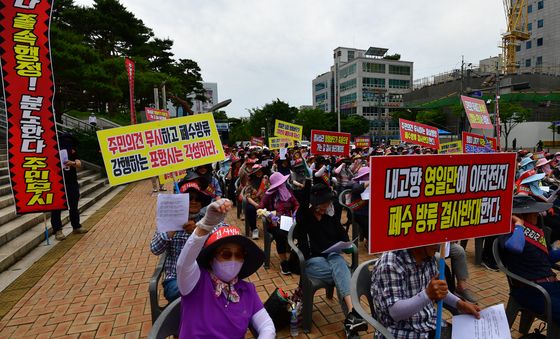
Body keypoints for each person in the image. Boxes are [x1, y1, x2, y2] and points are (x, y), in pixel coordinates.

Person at [176, 200, 275, 338]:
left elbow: (266, 325)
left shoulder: (247, 290)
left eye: (239, 255)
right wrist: (205, 226)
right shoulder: (195, 282)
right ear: (211, 258)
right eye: (226, 254)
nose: (233, 260)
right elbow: (183, 264)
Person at [295, 183, 367, 337]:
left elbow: (344, 237)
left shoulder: (331, 216)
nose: (326, 206)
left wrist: (343, 244)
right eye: (322, 203)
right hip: (312, 262)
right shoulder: (305, 217)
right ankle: (353, 313)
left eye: (327, 203)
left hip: (331, 259)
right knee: (343, 272)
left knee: (337, 261)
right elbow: (302, 200)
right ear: (314, 203)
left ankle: (351, 318)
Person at [371, 244, 481, 339]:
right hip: (401, 332)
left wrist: (461, 304)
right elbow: (395, 312)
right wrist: (427, 294)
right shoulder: (391, 262)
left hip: (429, 324)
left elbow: (438, 289)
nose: (439, 245)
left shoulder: (428, 256)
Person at [150, 174, 213, 301]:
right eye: (189, 198)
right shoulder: (167, 222)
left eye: (197, 198)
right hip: (175, 278)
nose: (194, 201)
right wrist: (173, 227)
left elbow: (216, 244)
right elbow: (155, 249)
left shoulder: (207, 221)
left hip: (204, 274)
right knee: (191, 293)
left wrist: (197, 232)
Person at [499, 195, 560, 325]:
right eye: (533, 212)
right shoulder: (509, 232)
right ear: (521, 215)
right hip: (532, 290)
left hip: (551, 285)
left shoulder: (535, 232)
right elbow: (515, 247)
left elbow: (548, 258)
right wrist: (519, 225)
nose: (537, 215)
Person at [259, 172, 299, 275]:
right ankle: (283, 261)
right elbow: (260, 208)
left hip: (289, 221)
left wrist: (295, 213)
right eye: (280, 183)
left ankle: (292, 257)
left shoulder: (287, 191)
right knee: (280, 235)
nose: (282, 185)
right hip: (274, 223)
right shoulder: (269, 194)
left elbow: (296, 204)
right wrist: (269, 215)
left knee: (299, 231)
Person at [51, 132, 87, 241]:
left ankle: (76, 226)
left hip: (71, 180)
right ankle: (58, 230)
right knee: (57, 207)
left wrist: (72, 163)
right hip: (56, 182)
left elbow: (79, 163)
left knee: (73, 205)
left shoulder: (72, 149)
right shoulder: (52, 148)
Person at [243, 165, 269, 239]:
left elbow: (270, 192)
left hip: (266, 201)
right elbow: (248, 197)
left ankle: (271, 228)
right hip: (254, 202)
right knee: (249, 209)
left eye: (260, 171)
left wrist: (265, 183)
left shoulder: (266, 180)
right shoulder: (250, 183)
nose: (258, 173)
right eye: (256, 172)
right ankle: (254, 229)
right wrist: (256, 205)